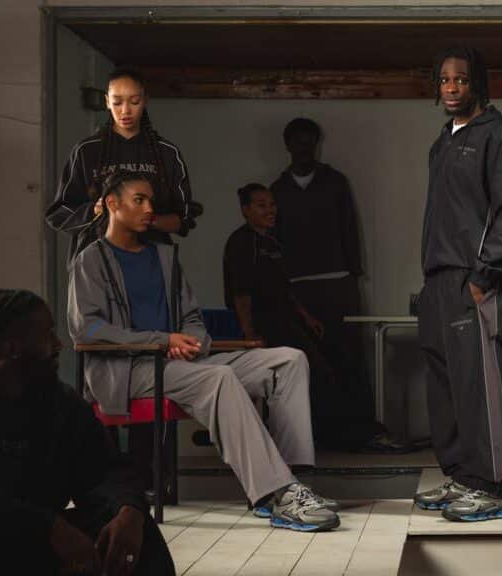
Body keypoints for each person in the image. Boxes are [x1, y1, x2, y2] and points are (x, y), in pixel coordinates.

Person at [68, 171, 339, 532]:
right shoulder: (90, 261)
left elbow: (191, 316)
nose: (150, 209)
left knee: (288, 360)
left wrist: (192, 342)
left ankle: (292, 482)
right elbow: (88, 329)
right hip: (129, 370)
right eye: (139, 200)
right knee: (219, 377)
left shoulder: (164, 258)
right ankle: (275, 493)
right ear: (113, 204)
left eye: (152, 200)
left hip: (184, 364)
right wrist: (164, 340)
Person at [0, 289, 174, 574]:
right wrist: (48, 528)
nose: (58, 344)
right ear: (13, 347)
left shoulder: (60, 403)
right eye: (48, 334)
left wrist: (129, 509)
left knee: (134, 532)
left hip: (35, 542)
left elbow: (106, 471)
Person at [413, 47, 502, 523]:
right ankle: (462, 474)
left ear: (477, 82)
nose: (451, 88)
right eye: (443, 80)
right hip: (439, 280)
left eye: (460, 80)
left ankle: (489, 485)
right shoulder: (442, 142)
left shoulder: (500, 137)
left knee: (481, 384)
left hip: (476, 278)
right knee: (447, 387)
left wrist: (486, 277)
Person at [223, 183, 378, 450]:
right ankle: (330, 439)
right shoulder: (241, 243)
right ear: (245, 210)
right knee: (315, 372)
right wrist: (249, 334)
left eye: (272, 205)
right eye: (262, 205)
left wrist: (307, 317)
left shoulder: (273, 242)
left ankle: (344, 433)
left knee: (331, 362)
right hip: (264, 322)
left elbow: (286, 289)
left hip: (288, 318)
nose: (270, 210)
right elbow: (241, 295)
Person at [268, 118, 377, 440]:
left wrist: (352, 273)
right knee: (309, 362)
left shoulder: (334, 182)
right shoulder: (277, 189)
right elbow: (275, 240)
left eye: (309, 142)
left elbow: (348, 227)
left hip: (336, 280)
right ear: (287, 146)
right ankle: (317, 434)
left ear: (316, 144)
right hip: (297, 285)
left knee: (349, 356)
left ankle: (358, 431)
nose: (304, 149)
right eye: (298, 142)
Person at [46, 67, 200, 265]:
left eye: (134, 101)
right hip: (95, 262)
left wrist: (147, 218)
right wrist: (95, 210)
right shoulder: (87, 151)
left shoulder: (167, 153)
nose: (125, 110)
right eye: (117, 102)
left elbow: (184, 216)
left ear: (145, 100)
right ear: (107, 102)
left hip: (152, 262)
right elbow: (59, 213)